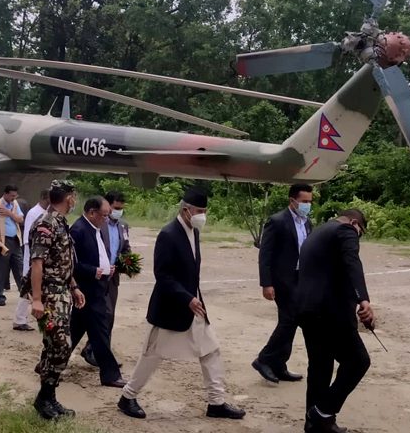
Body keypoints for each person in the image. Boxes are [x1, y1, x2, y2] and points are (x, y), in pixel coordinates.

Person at [117, 187, 245, 421]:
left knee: (211, 351)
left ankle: (216, 402)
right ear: (186, 210)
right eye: (199, 211)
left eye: (205, 211)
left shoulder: (193, 232)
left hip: (194, 306)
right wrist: (187, 298)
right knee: (152, 355)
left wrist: (194, 298)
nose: (202, 216)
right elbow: (163, 275)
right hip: (171, 307)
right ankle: (128, 396)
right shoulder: (168, 234)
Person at [296, 209, 374, 433]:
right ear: (354, 223)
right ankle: (322, 412)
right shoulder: (346, 230)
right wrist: (363, 299)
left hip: (307, 309)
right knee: (358, 361)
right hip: (331, 313)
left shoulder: (317, 232)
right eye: (360, 232)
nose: (358, 237)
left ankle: (316, 425)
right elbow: (352, 262)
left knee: (320, 367)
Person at [24, 179, 85, 420]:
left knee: (54, 346)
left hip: (62, 292)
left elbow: (61, 261)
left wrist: (74, 286)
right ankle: (44, 397)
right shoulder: (46, 224)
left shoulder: (60, 222)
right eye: (74, 196)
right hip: (50, 295)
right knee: (61, 346)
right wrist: (37, 300)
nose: (75, 200)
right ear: (69, 198)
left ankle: (48, 397)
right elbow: (37, 263)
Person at [252, 183, 313, 384]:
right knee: (289, 320)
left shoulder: (307, 222)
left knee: (291, 321)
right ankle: (264, 359)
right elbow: (265, 254)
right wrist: (266, 283)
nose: (307, 205)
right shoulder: (277, 221)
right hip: (282, 280)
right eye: (304, 201)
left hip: (300, 278)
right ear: (292, 200)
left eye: (309, 202)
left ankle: (279, 364)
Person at [69, 196, 126, 387]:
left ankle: (49, 363)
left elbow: (100, 253)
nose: (107, 219)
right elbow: (71, 263)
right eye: (104, 215)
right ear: (92, 212)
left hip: (98, 288)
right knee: (100, 332)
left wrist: (108, 267)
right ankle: (110, 374)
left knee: (75, 330)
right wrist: (93, 271)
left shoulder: (95, 229)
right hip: (87, 290)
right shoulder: (78, 230)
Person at [83, 190, 131, 366]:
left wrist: (127, 263)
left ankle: (96, 351)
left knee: (108, 316)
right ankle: (97, 352)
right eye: (115, 208)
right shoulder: (98, 224)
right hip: (96, 276)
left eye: (121, 208)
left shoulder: (123, 226)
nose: (118, 211)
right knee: (99, 315)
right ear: (107, 206)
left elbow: (125, 248)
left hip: (112, 278)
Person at [15, 189, 49, 331]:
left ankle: (21, 318)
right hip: (32, 255)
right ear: (45, 198)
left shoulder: (45, 212)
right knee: (28, 288)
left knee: (31, 289)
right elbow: (29, 239)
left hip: (39, 256)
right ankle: (20, 319)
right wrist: (32, 259)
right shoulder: (34, 213)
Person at [0, 185, 24, 306]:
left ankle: (25, 294)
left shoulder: (15, 204)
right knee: (1, 270)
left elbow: (20, 219)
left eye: (15, 195)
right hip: (3, 241)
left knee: (19, 268)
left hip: (15, 240)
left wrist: (9, 213)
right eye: (12, 195)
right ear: (6, 194)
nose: (14, 198)